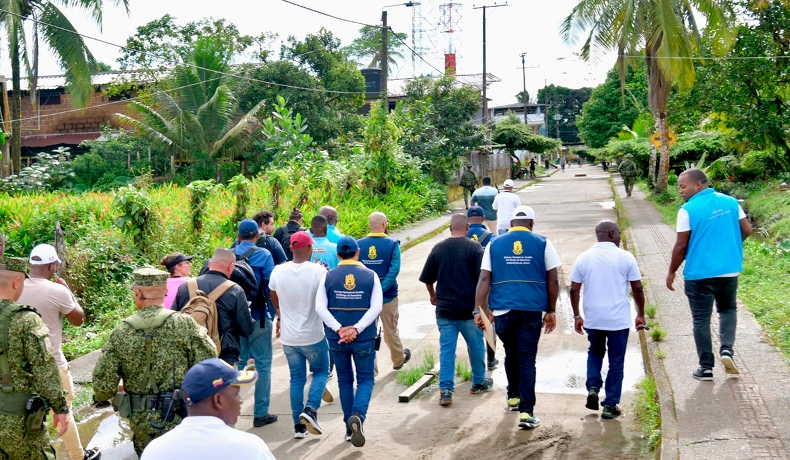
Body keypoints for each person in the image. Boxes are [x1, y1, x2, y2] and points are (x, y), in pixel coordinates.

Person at [93, 267, 217, 456]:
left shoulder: (120, 332)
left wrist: (121, 388)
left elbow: (102, 388)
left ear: (137, 293)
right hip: (180, 418)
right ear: (166, 291)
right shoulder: (185, 324)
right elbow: (209, 365)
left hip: (143, 425)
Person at [474, 205, 560, 429]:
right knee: (526, 358)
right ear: (531, 223)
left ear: (511, 224)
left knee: (511, 352)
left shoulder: (493, 244)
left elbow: (484, 279)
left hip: (503, 310)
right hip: (531, 309)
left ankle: (513, 397)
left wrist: (478, 310)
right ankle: (526, 412)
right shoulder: (543, 242)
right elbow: (553, 279)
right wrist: (551, 310)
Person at [667, 168, 752, 381]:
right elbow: (747, 230)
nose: (680, 191)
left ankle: (705, 367)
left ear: (698, 185)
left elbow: (680, 246)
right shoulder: (731, 202)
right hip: (728, 271)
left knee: (701, 320)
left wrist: (671, 272)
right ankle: (726, 351)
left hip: (699, 273)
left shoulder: (687, 210)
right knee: (728, 309)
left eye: (683, 187)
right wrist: (730, 248)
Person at [17, 244, 100, 460]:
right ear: (52, 266)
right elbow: (78, 320)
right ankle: (78, 456)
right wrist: (69, 293)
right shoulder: (57, 290)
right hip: (53, 365)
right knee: (64, 412)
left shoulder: (14, 288)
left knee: (26, 418)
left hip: (21, 368)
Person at [569, 221, 646, 419]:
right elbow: (637, 288)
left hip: (593, 320)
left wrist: (577, 315)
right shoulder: (625, 257)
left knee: (595, 353)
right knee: (616, 361)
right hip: (617, 321)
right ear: (612, 233)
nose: (620, 237)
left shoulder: (583, 258)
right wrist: (640, 314)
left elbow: (574, 289)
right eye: (619, 233)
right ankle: (611, 405)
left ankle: (593, 387)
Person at [315, 236, 383, 447]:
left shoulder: (328, 277)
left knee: (345, 381)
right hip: (364, 338)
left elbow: (320, 308)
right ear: (358, 252)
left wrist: (339, 329)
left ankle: (347, 428)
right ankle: (358, 417)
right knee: (365, 379)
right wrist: (357, 329)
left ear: (337, 255)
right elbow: (376, 307)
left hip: (337, 339)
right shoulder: (371, 276)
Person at [0, 256, 70, 460]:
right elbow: (45, 371)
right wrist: (60, 407)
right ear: (17, 282)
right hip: (19, 421)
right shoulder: (25, 320)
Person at [420, 214, 492, 406]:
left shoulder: (439, 248)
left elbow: (427, 278)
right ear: (467, 227)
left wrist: (432, 294)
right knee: (476, 346)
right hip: (468, 310)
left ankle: (445, 391)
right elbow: (484, 279)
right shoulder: (475, 248)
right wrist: (484, 307)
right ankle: (478, 383)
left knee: (447, 351)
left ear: (450, 228)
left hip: (445, 311)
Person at [140, 358, 275, 460]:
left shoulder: (154, 451)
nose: (241, 400)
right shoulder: (251, 449)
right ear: (218, 400)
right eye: (236, 394)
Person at [269, 231, 331, 439]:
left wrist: (280, 314)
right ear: (309, 249)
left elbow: (273, 294)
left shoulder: (278, 271)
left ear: (292, 249)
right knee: (322, 371)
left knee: (296, 379)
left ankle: (299, 427)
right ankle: (311, 409)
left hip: (289, 337)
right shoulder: (318, 271)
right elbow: (326, 299)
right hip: (313, 335)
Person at [173, 249, 255, 367]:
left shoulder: (186, 286)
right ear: (231, 266)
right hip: (224, 356)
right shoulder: (235, 290)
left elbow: (174, 318)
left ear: (210, 264)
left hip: (191, 355)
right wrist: (248, 314)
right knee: (224, 386)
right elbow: (246, 329)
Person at [233, 219, 277, 428]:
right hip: (258, 317)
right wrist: (273, 313)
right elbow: (270, 286)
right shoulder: (264, 255)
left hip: (235, 319)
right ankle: (260, 414)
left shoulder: (229, 256)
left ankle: (227, 410)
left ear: (239, 236)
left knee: (237, 364)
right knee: (263, 364)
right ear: (257, 236)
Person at [358, 212, 411, 371]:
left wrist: (370, 291)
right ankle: (398, 360)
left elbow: (356, 270)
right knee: (390, 331)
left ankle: (371, 369)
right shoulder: (393, 244)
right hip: (387, 296)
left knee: (367, 333)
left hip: (365, 298)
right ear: (384, 224)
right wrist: (380, 290)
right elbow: (394, 270)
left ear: (369, 225)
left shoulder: (359, 245)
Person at [465, 207, 498, 369]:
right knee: (488, 322)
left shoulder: (460, 236)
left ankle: (475, 363)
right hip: (484, 288)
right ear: (483, 218)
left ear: (467, 219)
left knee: (470, 325)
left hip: (465, 288)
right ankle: (491, 359)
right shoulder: (491, 238)